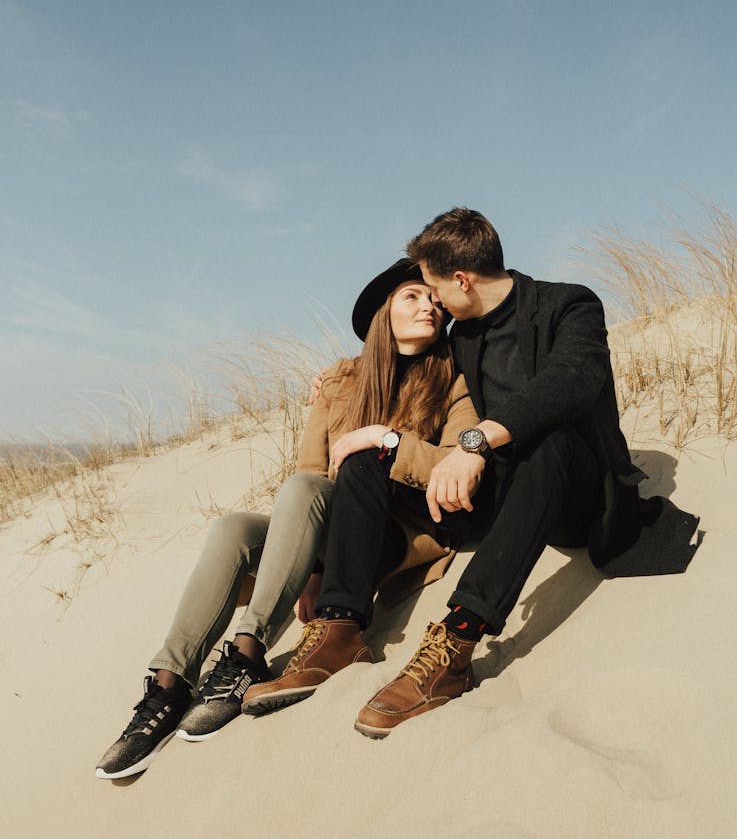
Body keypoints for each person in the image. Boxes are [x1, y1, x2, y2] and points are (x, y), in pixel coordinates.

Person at [244, 207, 699, 737]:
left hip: (573, 491)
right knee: (370, 457)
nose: (432, 301)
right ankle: (340, 626)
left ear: (461, 279)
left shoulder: (568, 304)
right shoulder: (461, 339)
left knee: (549, 441)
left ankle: (456, 641)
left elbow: (572, 380)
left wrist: (476, 442)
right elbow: (401, 361)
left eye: (434, 288)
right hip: (490, 500)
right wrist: (344, 375)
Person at [95, 258, 479, 778]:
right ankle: (169, 683)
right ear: (383, 311)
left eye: (434, 300)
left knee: (302, 491)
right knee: (234, 527)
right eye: (413, 296)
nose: (429, 306)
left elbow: (453, 464)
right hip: (326, 526)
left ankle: (248, 649)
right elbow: (311, 473)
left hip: (395, 531)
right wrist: (310, 562)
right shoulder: (341, 381)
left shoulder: (453, 381)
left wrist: (386, 442)